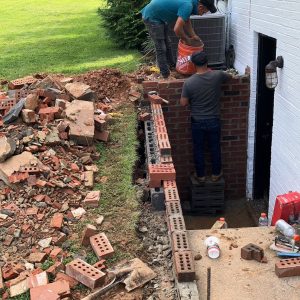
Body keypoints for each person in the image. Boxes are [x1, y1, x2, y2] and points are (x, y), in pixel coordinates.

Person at [180, 51, 231, 182]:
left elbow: (183, 103)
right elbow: (229, 76)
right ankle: (215, 174)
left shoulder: (189, 83)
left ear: (193, 64)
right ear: (207, 62)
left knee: (198, 149)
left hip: (197, 121)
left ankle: (201, 176)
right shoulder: (217, 75)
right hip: (214, 120)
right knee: (215, 147)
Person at [141, 0, 217, 78]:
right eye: (203, 12)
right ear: (200, 6)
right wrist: (186, 39)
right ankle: (165, 75)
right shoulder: (188, 5)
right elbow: (177, 29)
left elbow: (186, 20)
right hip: (152, 16)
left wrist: (194, 36)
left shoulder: (191, 3)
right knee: (161, 47)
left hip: (160, 16)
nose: (201, 15)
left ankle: (172, 66)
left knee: (168, 44)